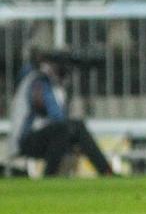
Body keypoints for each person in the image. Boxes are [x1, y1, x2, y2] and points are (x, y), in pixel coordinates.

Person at [8, 49, 114, 177]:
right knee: (65, 129)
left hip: (43, 136)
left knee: (77, 127)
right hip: (24, 141)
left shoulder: (46, 82)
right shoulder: (38, 82)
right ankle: (49, 175)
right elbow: (56, 115)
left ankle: (107, 172)